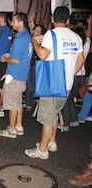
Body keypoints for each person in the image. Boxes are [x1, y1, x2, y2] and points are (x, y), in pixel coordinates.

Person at [25, 6, 84, 160]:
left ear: (52, 19)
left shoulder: (51, 34)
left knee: (46, 118)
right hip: (67, 84)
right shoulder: (76, 37)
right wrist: (69, 73)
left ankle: (42, 150)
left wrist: (34, 41)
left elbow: (43, 55)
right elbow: (81, 60)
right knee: (55, 113)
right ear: (68, 20)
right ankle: (52, 142)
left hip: (52, 81)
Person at [0, 13, 33, 138]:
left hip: (15, 75)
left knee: (12, 104)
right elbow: (21, 56)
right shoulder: (27, 36)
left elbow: (16, 60)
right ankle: (18, 125)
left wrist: (5, 59)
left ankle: (11, 129)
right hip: (22, 75)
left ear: (20, 22)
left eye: (13, 21)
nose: (11, 23)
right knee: (18, 102)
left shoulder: (19, 39)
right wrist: (10, 55)